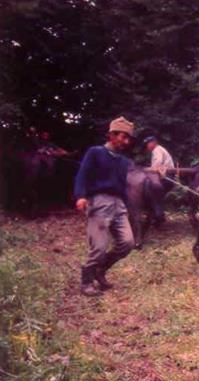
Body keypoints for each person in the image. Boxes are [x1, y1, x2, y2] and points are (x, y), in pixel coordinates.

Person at [74, 117, 135, 296]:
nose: (126, 141)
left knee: (128, 243)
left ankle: (101, 269)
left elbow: (123, 187)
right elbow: (82, 175)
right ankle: (86, 282)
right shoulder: (95, 152)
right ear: (111, 135)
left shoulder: (124, 161)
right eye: (123, 137)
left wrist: (128, 207)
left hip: (119, 204)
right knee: (99, 247)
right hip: (99, 202)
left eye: (128, 138)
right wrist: (80, 196)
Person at [143, 135, 175, 224]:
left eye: (148, 143)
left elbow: (157, 165)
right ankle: (155, 214)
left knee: (151, 190)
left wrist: (145, 169)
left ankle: (158, 215)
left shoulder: (157, 150)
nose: (147, 146)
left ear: (154, 142)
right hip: (166, 176)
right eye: (147, 144)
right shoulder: (159, 150)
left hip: (166, 177)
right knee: (156, 195)